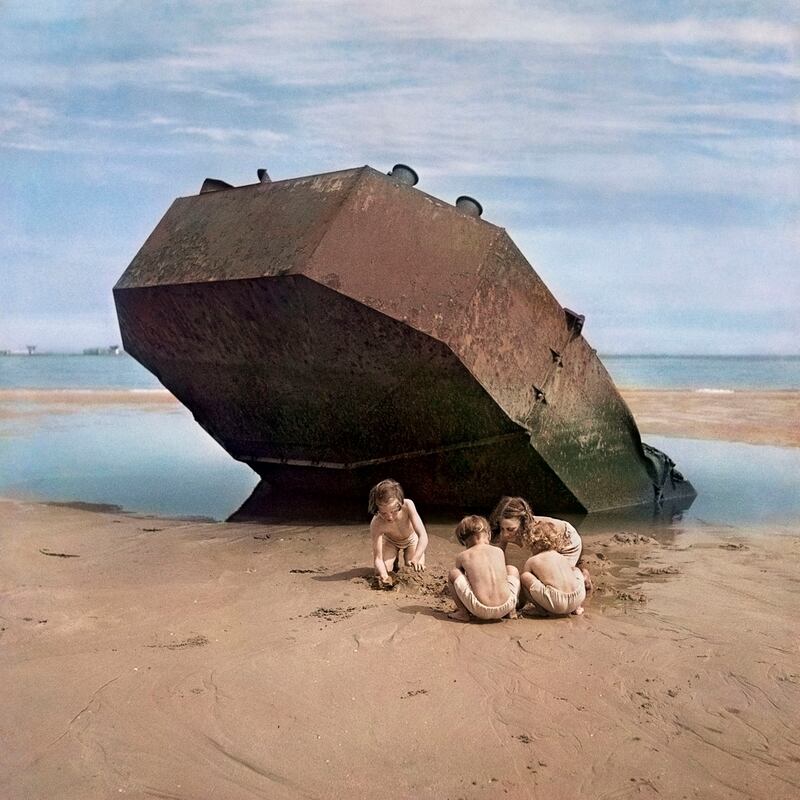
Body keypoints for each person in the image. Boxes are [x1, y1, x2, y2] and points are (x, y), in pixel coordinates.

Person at [489, 496, 587, 581]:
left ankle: (582, 576)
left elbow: (539, 560)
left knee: (552, 578)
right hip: (552, 543)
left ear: (523, 523)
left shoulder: (534, 532)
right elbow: (499, 554)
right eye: (502, 528)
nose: (505, 534)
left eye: (510, 529)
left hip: (567, 539)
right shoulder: (506, 532)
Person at [447, 515, 520, 622]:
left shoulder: (463, 556)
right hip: (506, 605)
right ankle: (512, 611)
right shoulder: (498, 551)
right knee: (512, 569)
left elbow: (460, 580)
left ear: (464, 541)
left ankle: (462, 612)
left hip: (481, 609)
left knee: (454, 573)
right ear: (489, 535)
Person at [368, 479, 429, 588]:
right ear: (377, 509)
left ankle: (408, 558)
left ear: (400, 503)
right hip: (390, 541)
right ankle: (393, 561)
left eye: (394, 511)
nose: (389, 517)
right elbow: (377, 558)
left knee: (414, 571)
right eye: (383, 513)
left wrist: (416, 557)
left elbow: (423, 536)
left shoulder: (408, 505)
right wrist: (384, 575)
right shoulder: (376, 523)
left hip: (411, 539)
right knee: (381, 570)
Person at [520, 546, 589, 617]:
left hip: (556, 602)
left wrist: (520, 604)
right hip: (577, 598)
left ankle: (540, 610)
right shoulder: (562, 557)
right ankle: (577, 608)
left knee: (525, 576)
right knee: (575, 570)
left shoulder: (532, 560)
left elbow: (524, 587)